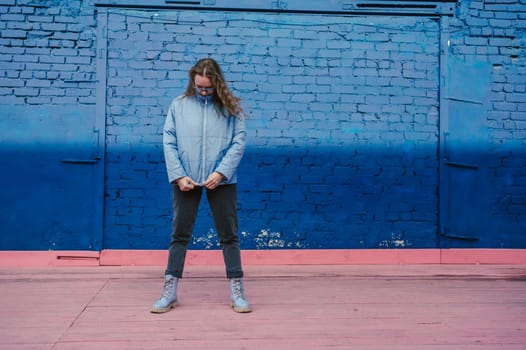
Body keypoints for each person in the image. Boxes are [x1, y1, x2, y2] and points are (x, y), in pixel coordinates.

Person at [151, 58, 251, 314]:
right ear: (192, 82)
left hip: (223, 180)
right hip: (187, 180)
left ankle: (237, 289)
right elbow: (168, 141)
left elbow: (239, 142)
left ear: (217, 83)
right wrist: (179, 175)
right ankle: (170, 289)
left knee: (229, 235)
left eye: (208, 88)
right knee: (180, 234)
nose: (204, 92)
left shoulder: (231, 108)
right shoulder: (179, 105)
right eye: (199, 87)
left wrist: (221, 172)